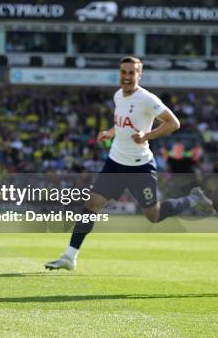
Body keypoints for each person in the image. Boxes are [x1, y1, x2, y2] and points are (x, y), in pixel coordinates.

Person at [45, 56, 215, 271]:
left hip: (140, 166)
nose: (126, 77)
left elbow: (174, 123)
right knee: (91, 206)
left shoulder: (147, 99)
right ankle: (70, 256)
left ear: (139, 75)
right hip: (115, 162)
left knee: (154, 216)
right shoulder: (118, 96)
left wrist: (147, 135)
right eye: (123, 72)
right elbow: (122, 124)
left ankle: (192, 199)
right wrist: (109, 132)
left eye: (131, 73)